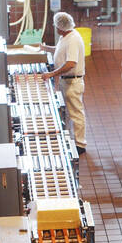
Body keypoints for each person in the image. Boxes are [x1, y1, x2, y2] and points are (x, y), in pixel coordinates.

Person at [40, 11, 87, 156]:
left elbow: (71, 63)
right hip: (65, 81)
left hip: (73, 82)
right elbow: (61, 51)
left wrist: (51, 74)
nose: (55, 27)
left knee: (76, 113)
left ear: (60, 26)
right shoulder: (66, 36)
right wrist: (46, 48)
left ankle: (80, 145)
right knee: (67, 112)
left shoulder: (73, 39)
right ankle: (69, 139)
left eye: (56, 25)